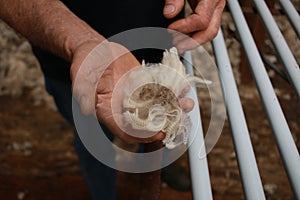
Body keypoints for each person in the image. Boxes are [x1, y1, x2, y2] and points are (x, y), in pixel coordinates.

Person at [0, 0, 226, 199]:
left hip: (160, 41)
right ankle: (103, 193)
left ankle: (159, 163)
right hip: (71, 61)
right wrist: (80, 41)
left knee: (162, 129)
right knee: (92, 141)